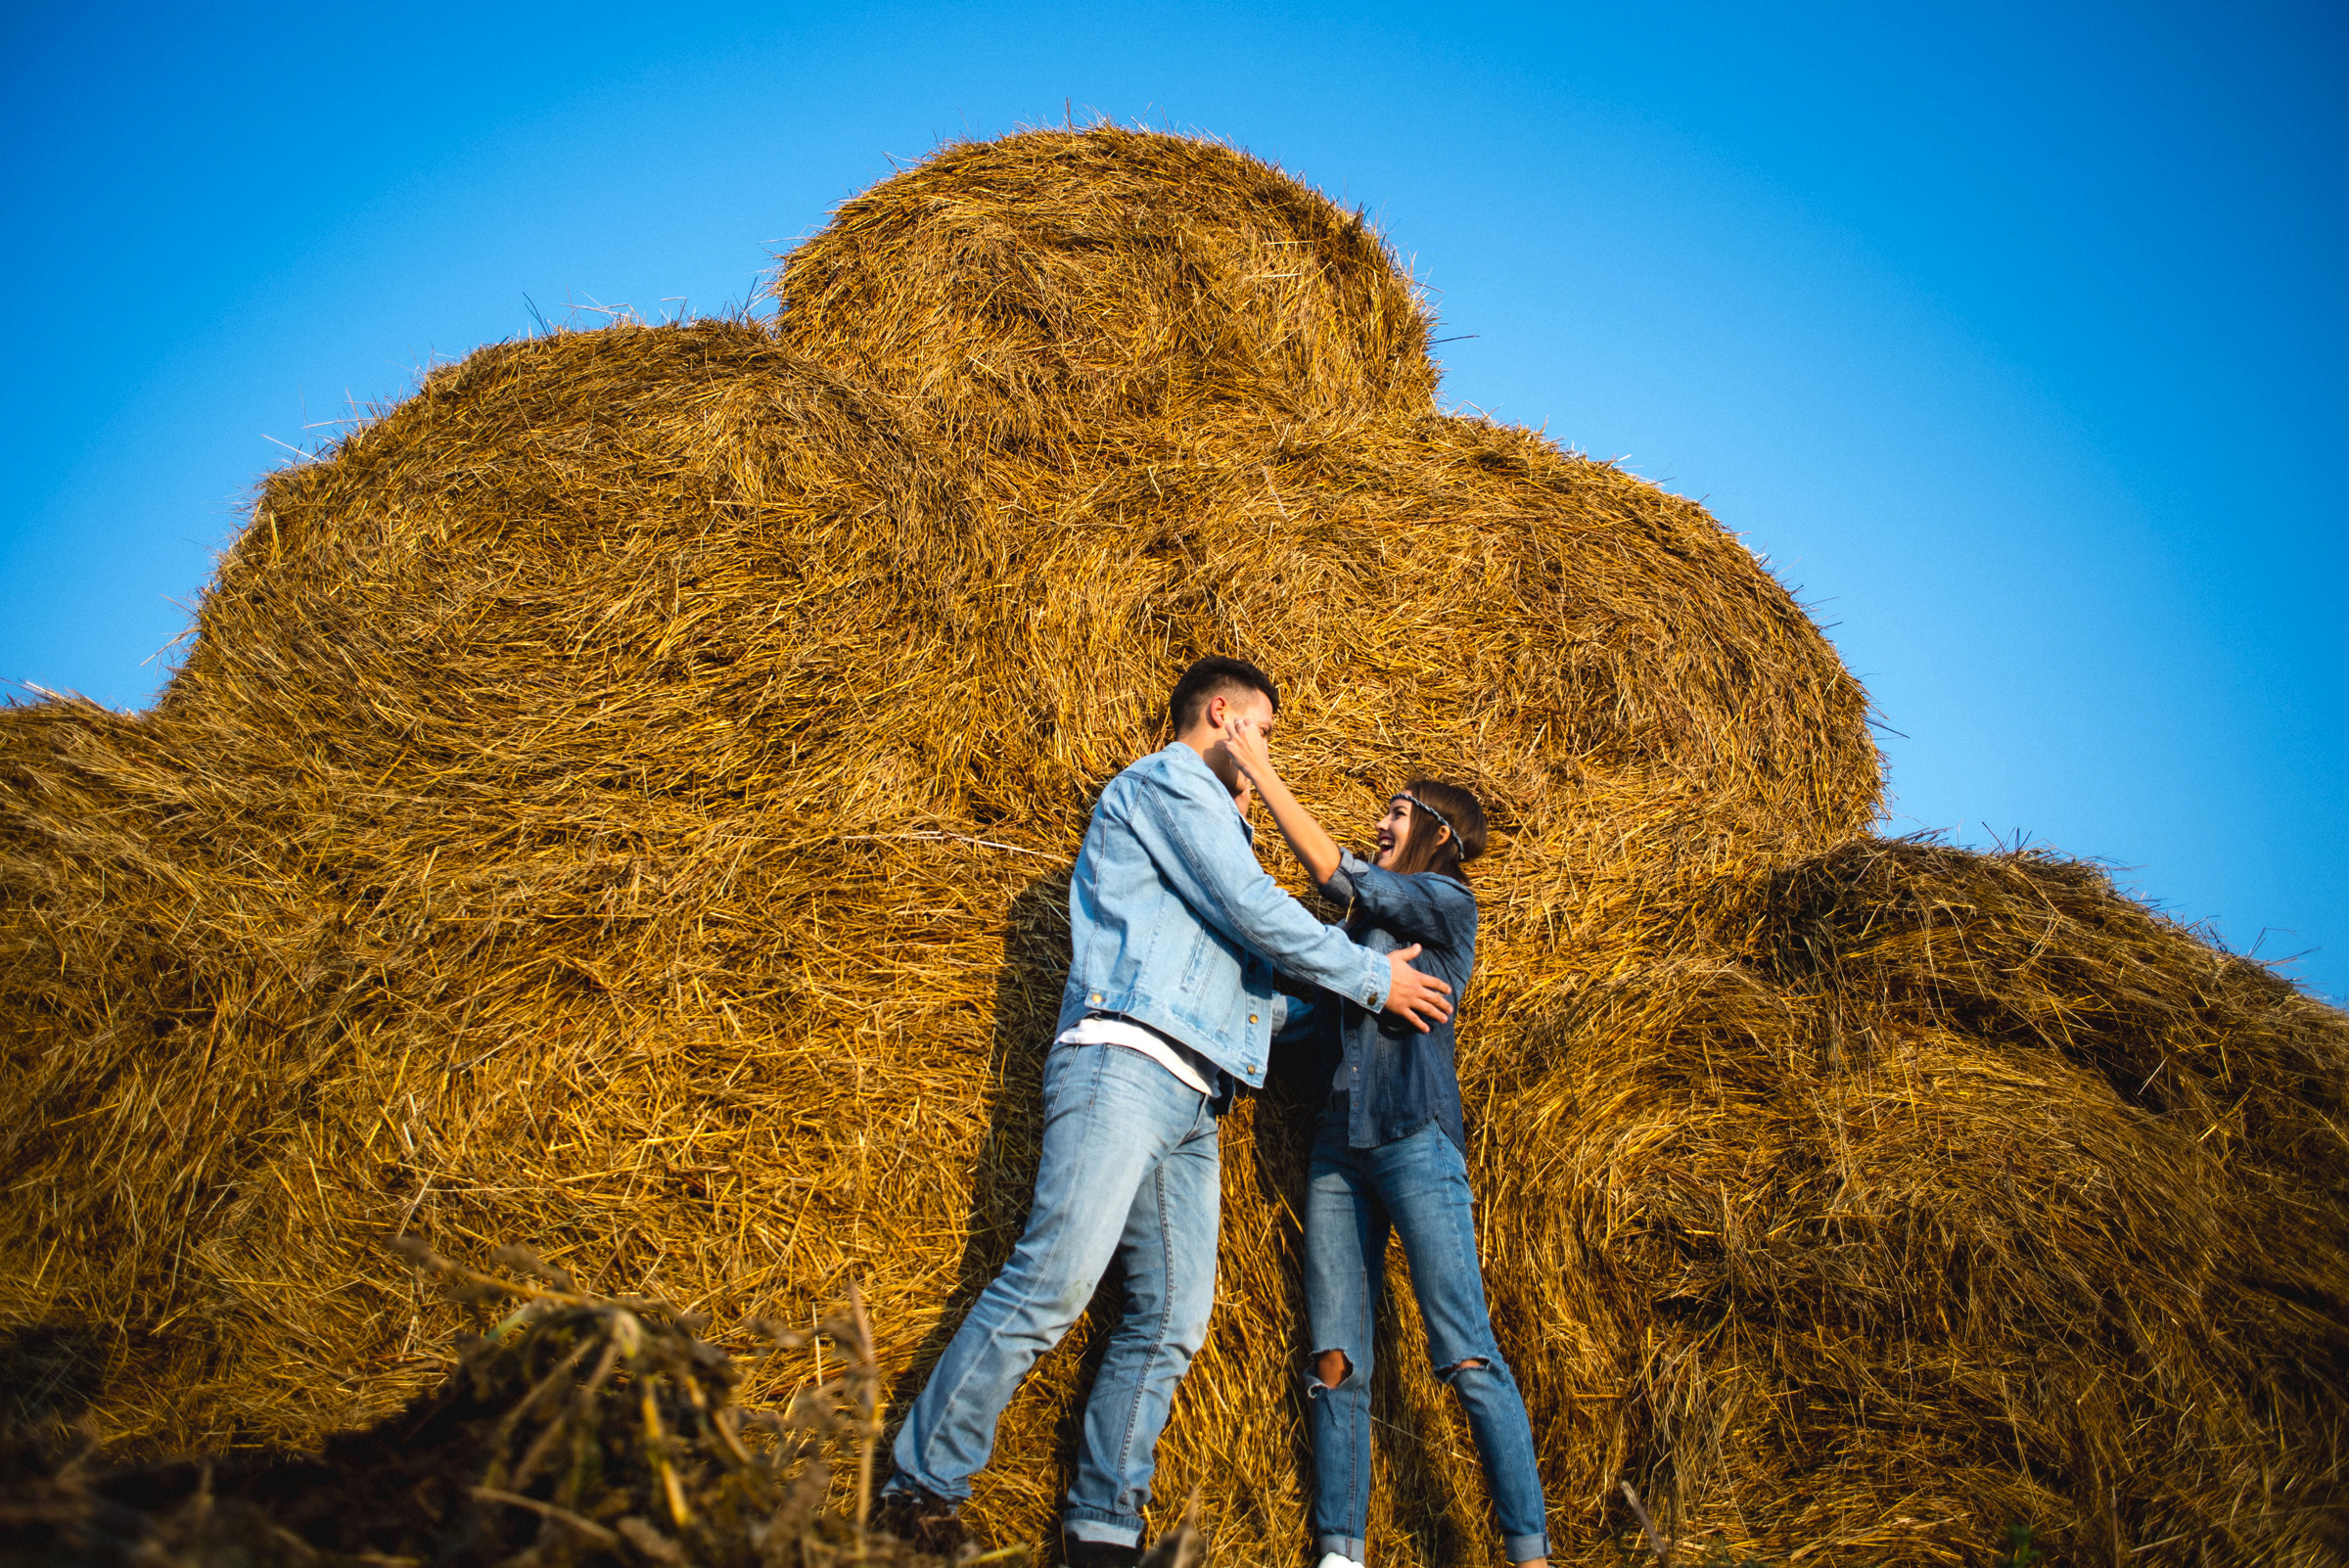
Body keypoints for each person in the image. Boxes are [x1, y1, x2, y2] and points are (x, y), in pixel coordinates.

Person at [877, 657, 1457, 1568]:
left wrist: (1360, 1001)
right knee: (1052, 1279)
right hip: (1126, 1062)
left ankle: (1103, 1524)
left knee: (1173, 1318)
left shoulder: (1215, 820)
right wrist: (1370, 977)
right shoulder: (1167, 785)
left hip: (1197, 1094)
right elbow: (1256, 910)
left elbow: (1254, 986)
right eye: (1263, 730)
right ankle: (920, 1490)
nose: (1266, 748)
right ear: (1224, 716)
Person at [1221, 717, 1550, 1568]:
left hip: (1414, 1140)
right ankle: (1340, 1552)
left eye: (1396, 811)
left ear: (1437, 831)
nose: (1380, 821)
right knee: (1333, 1359)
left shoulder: (1446, 905)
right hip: (1338, 1148)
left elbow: (1338, 875)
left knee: (1464, 1352)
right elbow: (1290, 1014)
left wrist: (1256, 762)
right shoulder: (1350, 943)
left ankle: (1528, 1551)